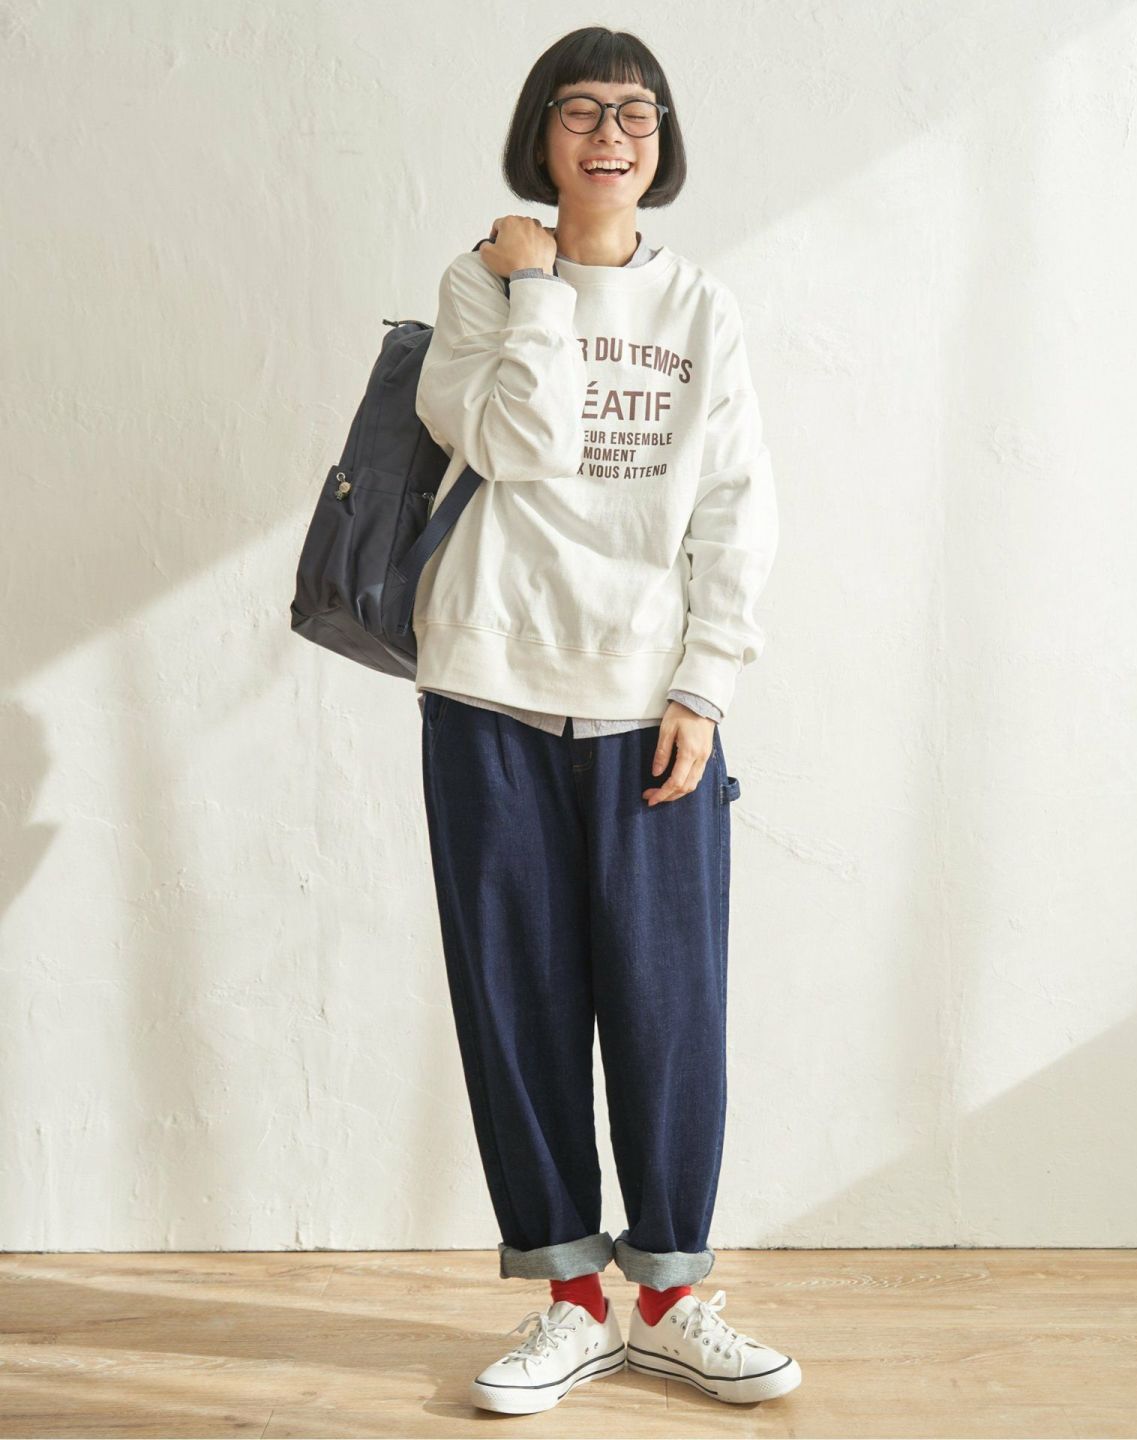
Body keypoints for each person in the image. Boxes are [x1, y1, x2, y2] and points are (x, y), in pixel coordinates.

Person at [411, 25, 799, 1414]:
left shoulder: (700, 308)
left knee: (667, 1007)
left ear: (662, 139)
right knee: (516, 1000)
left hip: (649, 707)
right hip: (490, 690)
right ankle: (572, 1304)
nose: (610, 133)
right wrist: (533, 290)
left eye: (635, 111)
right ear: (542, 135)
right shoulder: (479, 286)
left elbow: (736, 507)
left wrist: (706, 684)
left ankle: (674, 1298)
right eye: (580, 110)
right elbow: (519, 441)